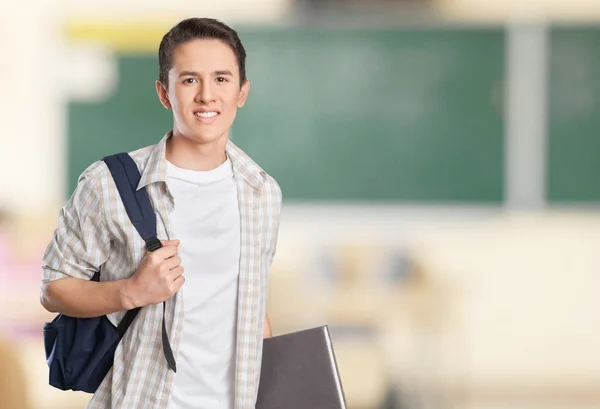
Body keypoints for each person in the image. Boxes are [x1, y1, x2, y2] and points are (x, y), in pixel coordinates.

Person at [40, 17, 282, 409]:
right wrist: (130, 291)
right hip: (141, 399)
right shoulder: (107, 184)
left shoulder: (262, 191)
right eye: (189, 80)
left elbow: (252, 307)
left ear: (242, 91)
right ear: (164, 92)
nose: (207, 95)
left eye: (221, 79)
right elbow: (53, 289)